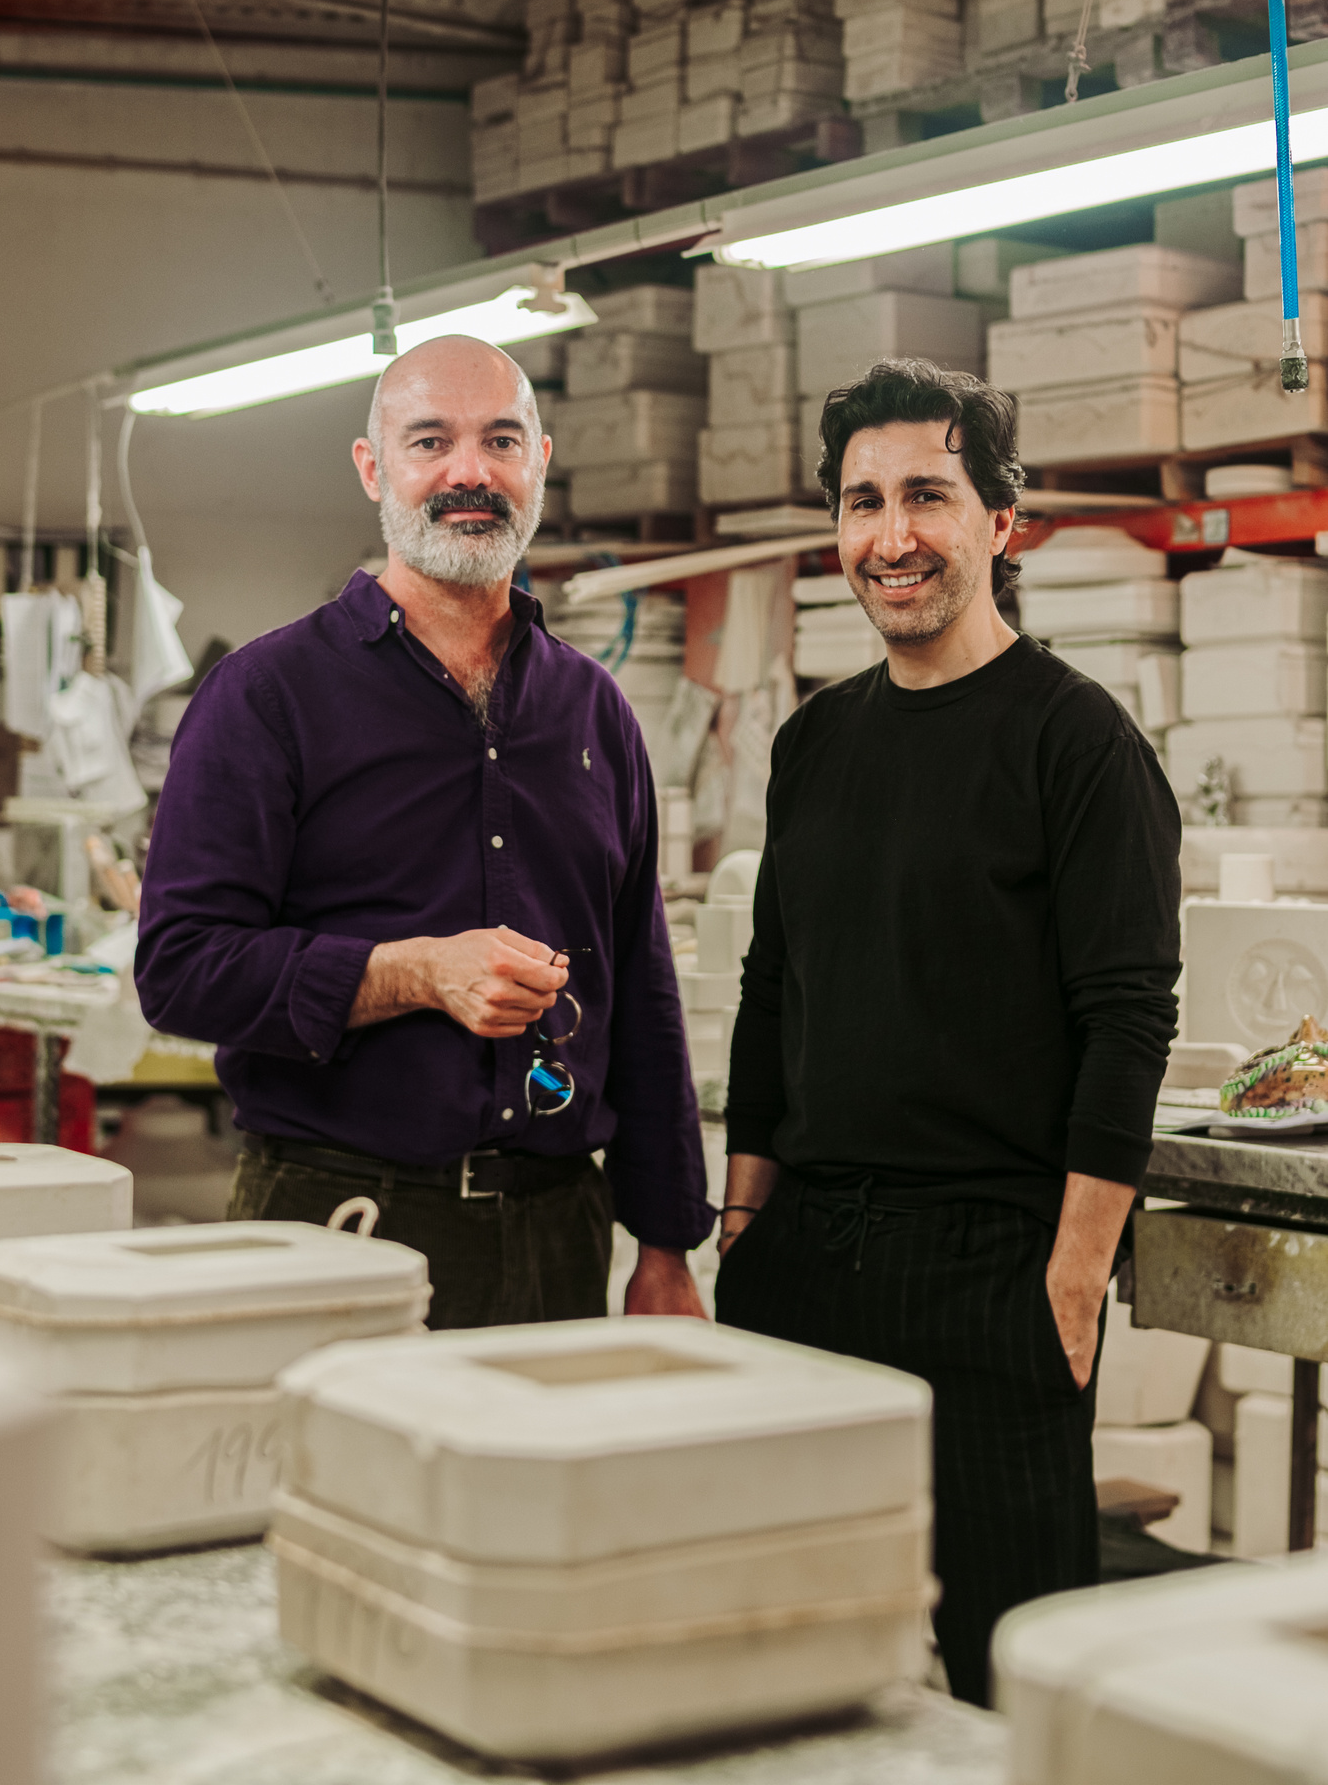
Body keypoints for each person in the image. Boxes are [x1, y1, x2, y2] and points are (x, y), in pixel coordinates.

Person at [713, 357, 1181, 1706]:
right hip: (804, 1262)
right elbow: (773, 991)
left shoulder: (1076, 743)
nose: (892, 534)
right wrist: (744, 1225)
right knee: (792, 1659)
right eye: (863, 502)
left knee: (1004, 1665)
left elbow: (1127, 1018)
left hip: (992, 1266)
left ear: (999, 518)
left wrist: (1073, 1278)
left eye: (928, 492)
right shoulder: (813, 744)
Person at [136, 334, 713, 1327]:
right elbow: (182, 968)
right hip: (333, 1221)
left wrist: (665, 1246)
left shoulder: (594, 711)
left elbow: (641, 989)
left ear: (539, 458)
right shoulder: (267, 697)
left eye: (499, 439)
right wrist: (411, 971)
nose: (468, 472)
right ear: (374, 468)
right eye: (430, 440)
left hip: (557, 1230)